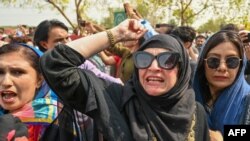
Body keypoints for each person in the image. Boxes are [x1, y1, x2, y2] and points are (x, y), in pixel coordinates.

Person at [40, 19, 210, 141]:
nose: (153, 67)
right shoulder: (116, 99)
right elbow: (55, 65)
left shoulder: (196, 111)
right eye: (143, 59)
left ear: (181, 70)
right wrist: (116, 34)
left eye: (167, 60)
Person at [0, 43, 85, 140]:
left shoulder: (55, 121)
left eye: (17, 72)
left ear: (39, 80)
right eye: (0, 72)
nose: (6, 82)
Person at [193, 30, 250, 139]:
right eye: (213, 60)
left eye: (232, 61)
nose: (222, 68)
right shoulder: (189, 99)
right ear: (202, 64)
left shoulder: (247, 100)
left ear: (240, 66)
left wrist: (224, 136)